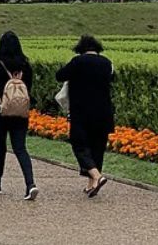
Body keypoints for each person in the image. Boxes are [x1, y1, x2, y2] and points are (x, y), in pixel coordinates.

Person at [56, 35, 115, 198]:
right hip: (103, 112)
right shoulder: (107, 63)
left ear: (81, 48)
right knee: (98, 147)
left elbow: (59, 75)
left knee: (79, 145)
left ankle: (97, 177)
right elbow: (112, 79)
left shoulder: (78, 62)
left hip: (81, 112)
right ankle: (92, 183)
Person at [0, 31, 38, 200]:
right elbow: (29, 89)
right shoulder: (25, 66)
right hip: (20, 113)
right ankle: (30, 184)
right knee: (20, 148)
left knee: (0, 149)